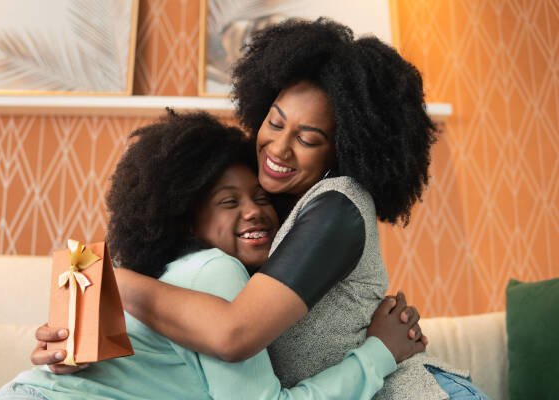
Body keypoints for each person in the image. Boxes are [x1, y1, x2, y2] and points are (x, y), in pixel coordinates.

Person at [104, 19, 489, 399]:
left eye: (307, 139)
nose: (278, 148)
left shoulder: (338, 205)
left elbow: (233, 334)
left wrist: (114, 282)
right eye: (275, 123)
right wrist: (73, 346)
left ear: (344, 149)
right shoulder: (266, 216)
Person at [0, 112, 425, 400]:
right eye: (227, 202)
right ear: (186, 222)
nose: (254, 210)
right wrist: (378, 353)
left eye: (260, 198)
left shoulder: (170, 278)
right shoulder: (217, 270)